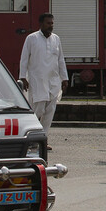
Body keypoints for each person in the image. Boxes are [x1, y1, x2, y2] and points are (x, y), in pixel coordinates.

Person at [19, 13, 69, 141]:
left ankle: (43, 139)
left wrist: (64, 78)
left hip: (53, 81)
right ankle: (31, 138)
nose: (50, 26)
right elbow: (24, 59)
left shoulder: (56, 39)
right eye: (48, 23)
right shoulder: (32, 38)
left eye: (52, 23)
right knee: (38, 110)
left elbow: (60, 60)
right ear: (41, 24)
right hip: (37, 80)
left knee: (50, 111)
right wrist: (23, 77)